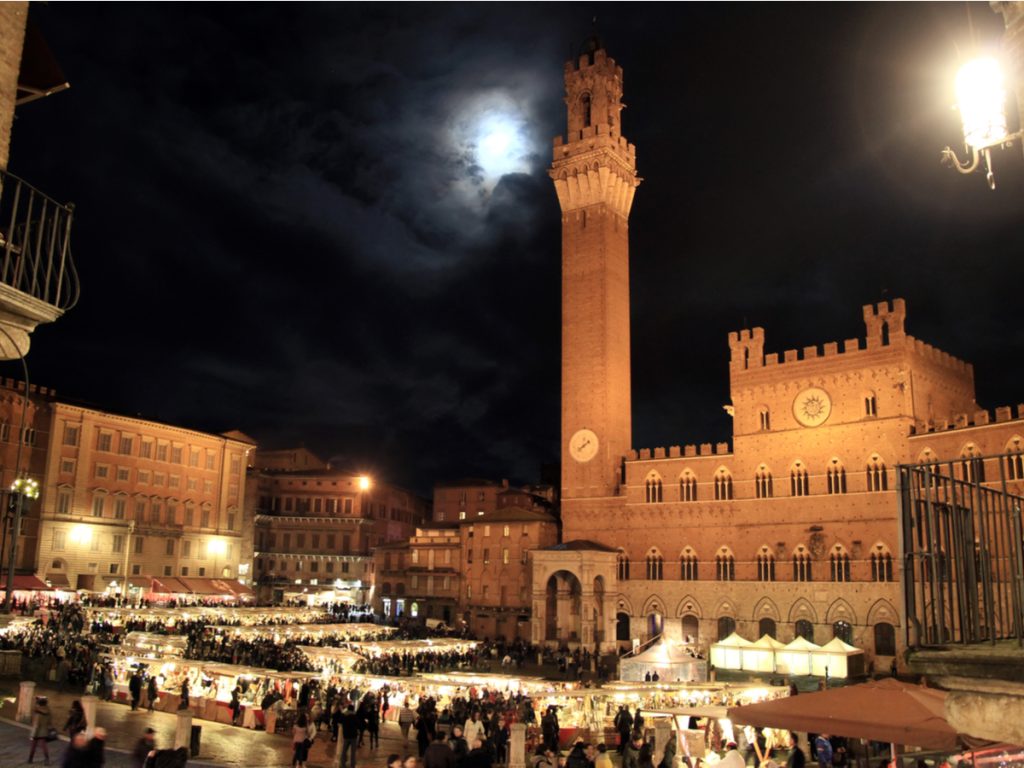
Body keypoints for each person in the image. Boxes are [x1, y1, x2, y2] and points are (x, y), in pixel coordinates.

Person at [28, 695, 52, 765]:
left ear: (38, 703)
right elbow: (50, 721)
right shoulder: (48, 710)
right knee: (44, 746)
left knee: (33, 746)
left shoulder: (37, 712)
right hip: (44, 730)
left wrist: (33, 735)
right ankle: (47, 759)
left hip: (37, 731)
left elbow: (36, 724)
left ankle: (30, 759)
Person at [340, 704, 360, 768]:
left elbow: (340, 722)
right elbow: (358, 725)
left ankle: (343, 764)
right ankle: (352, 766)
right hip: (353, 736)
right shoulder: (355, 716)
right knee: (353, 753)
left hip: (346, 735)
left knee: (344, 751)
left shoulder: (344, 716)